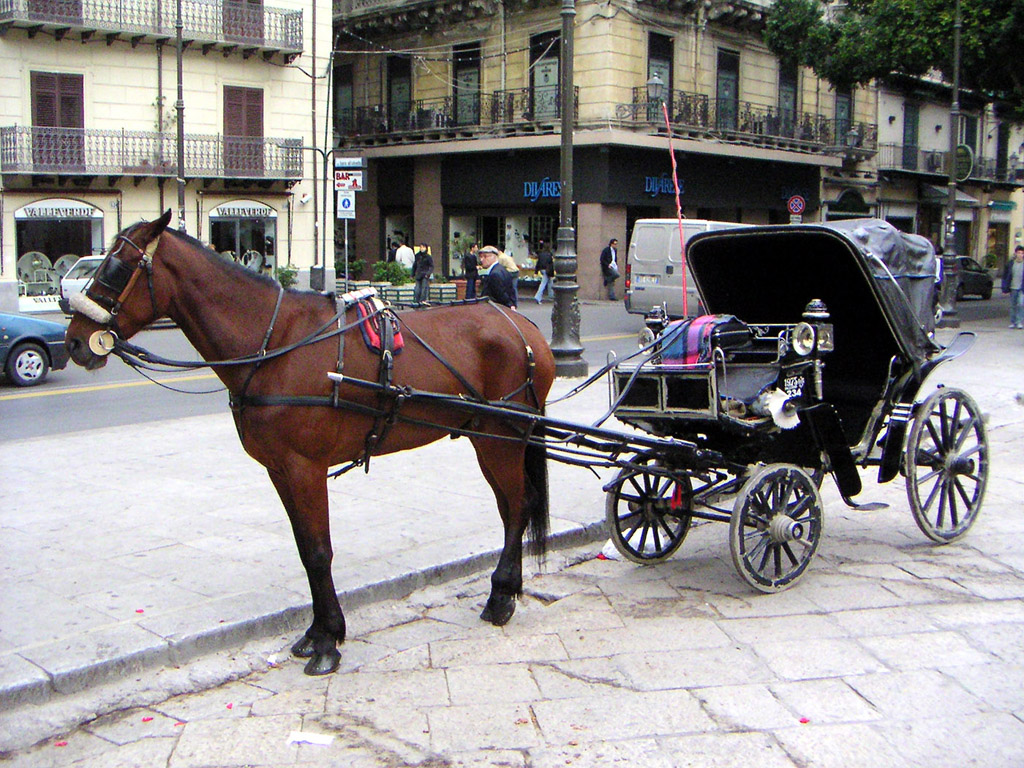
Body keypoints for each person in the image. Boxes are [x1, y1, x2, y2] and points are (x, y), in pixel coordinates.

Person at [1003, 244, 1024, 329]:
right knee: (1013, 305)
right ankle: (1013, 321)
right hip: (1013, 287)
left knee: (1021, 304)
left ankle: (1019, 322)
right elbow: (1006, 276)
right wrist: (1004, 287)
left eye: (1022, 253)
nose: (1020, 255)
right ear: (1015, 253)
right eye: (1018, 253)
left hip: (1022, 288)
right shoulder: (1011, 264)